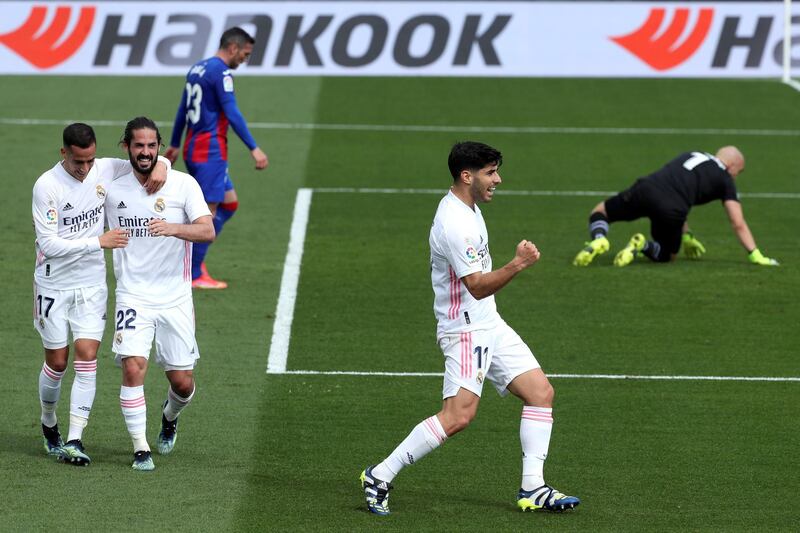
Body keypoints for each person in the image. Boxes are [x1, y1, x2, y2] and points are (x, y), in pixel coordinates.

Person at [360, 142, 580, 515]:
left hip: (487, 322)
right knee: (459, 415)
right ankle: (380, 475)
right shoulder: (455, 225)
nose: (498, 179)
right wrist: (518, 264)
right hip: (465, 330)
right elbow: (476, 285)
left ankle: (534, 488)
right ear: (467, 176)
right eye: (490, 172)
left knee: (540, 392)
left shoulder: (469, 208)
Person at [32, 123, 167, 466]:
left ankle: (75, 439)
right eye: (79, 162)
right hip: (52, 284)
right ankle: (49, 423)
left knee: (86, 356)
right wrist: (99, 242)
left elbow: (145, 161)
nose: (86, 168)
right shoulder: (46, 186)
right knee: (57, 362)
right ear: (64, 153)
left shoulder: (104, 168)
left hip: (91, 283)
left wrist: (163, 162)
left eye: (91, 160)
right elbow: (48, 244)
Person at [106, 117, 215, 471]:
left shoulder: (183, 185)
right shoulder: (111, 186)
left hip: (175, 296)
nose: (146, 152)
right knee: (133, 367)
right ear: (127, 147)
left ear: (158, 147)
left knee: (182, 382)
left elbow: (207, 231)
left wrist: (173, 228)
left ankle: (170, 417)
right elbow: (74, 179)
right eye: (139, 145)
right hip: (133, 294)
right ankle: (140, 448)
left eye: (152, 146)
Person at [165, 26, 268, 290]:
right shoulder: (221, 72)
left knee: (230, 204)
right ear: (233, 47)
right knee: (206, 216)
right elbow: (232, 112)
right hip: (208, 151)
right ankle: (194, 272)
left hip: (194, 146)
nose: (244, 59)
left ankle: (191, 262)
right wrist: (253, 147)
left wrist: (176, 143)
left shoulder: (198, 68)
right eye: (244, 54)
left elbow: (182, 109)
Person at [573, 146, 779, 267]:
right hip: (672, 209)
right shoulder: (724, 179)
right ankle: (641, 245)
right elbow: (737, 222)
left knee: (600, 211)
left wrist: (688, 236)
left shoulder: (693, 154)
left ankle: (599, 239)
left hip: (646, 188)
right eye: (738, 172)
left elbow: (678, 186)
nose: (735, 176)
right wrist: (755, 253)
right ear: (732, 166)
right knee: (667, 254)